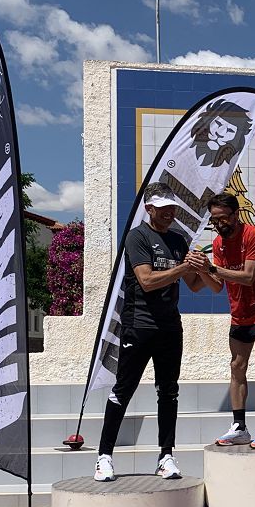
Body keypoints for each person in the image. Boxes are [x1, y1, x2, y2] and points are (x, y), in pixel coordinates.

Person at [95, 182, 209, 482]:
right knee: (123, 391)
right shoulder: (137, 237)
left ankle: (166, 455)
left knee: (168, 392)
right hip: (139, 325)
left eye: (172, 208)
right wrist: (182, 269)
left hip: (170, 327)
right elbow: (146, 280)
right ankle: (104, 456)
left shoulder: (178, 239)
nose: (170, 213)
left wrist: (205, 267)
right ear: (149, 209)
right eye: (163, 209)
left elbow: (195, 284)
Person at [194, 192, 255, 449]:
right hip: (240, 312)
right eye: (214, 220)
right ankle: (239, 426)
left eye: (223, 218)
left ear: (235, 215)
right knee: (237, 365)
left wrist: (211, 268)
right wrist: (201, 268)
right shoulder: (219, 245)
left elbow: (248, 276)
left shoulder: (253, 235)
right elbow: (215, 286)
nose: (219, 224)